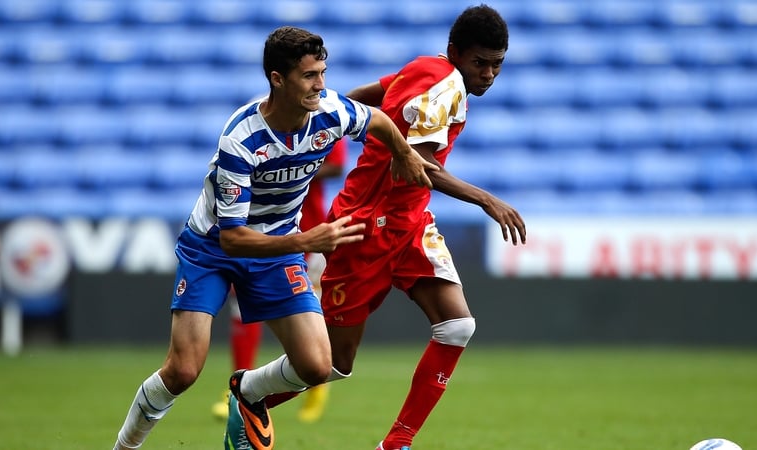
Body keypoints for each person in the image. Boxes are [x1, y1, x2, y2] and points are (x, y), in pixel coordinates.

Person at [112, 26, 436, 450]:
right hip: (212, 249)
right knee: (183, 371)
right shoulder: (241, 138)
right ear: (277, 79)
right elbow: (232, 239)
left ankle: (245, 391)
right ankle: (124, 447)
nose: (320, 85)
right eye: (309, 76)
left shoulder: (331, 111)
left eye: (322, 73)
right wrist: (305, 242)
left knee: (317, 365)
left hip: (278, 246)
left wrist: (403, 152)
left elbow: (376, 119)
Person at [251, 5, 526, 450]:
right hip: (364, 226)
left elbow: (362, 96)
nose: (489, 74)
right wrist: (488, 200)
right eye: (480, 62)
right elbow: (420, 164)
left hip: (409, 221)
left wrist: (335, 128)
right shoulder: (444, 85)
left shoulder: (423, 67)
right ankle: (249, 392)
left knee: (457, 325)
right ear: (455, 52)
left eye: (497, 64)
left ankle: (396, 443)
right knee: (334, 363)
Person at [211, 138, 348, 423]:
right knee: (240, 303)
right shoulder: (253, 129)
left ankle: (316, 384)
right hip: (258, 227)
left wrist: (287, 170)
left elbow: (337, 166)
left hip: (306, 228)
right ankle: (237, 387)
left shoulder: (323, 123)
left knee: (311, 307)